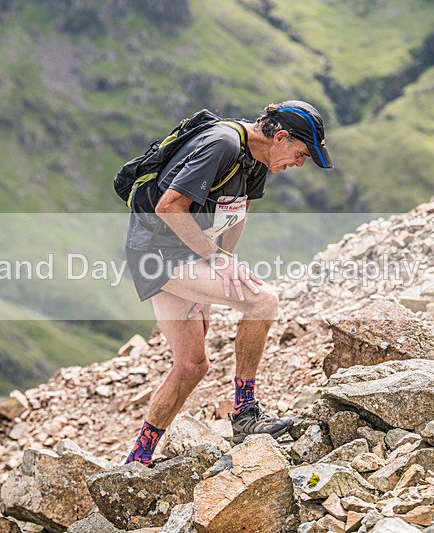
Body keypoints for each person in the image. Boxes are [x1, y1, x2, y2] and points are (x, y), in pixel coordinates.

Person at [124, 100, 333, 464]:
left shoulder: (258, 158)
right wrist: (215, 260)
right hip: (157, 255)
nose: (300, 164)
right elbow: (169, 207)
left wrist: (216, 273)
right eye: (301, 154)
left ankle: (137, 459)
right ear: (280, 137)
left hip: (183, 254)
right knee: (263, 300)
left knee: (192, 366)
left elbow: (237, 213)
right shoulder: (222, 145)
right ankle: (245, 413)